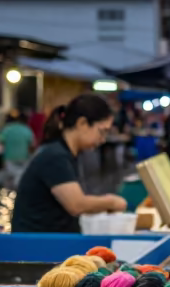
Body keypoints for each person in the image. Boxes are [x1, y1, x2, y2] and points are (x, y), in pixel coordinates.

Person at [11, 93, 127, 233]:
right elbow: (76, 204)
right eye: (102, 132)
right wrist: (111, 202)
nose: (102, 140)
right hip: (38, 247)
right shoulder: (55, 157)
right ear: (82, 124)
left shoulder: (66, 154)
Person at [0, 110, 36, 186]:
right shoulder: (27, 130)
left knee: (10, 182)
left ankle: (9, 196)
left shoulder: (7, 129)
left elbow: (1, 142)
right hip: (24, 159)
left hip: (9, 159)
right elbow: (32, 146)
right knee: (21, 180)